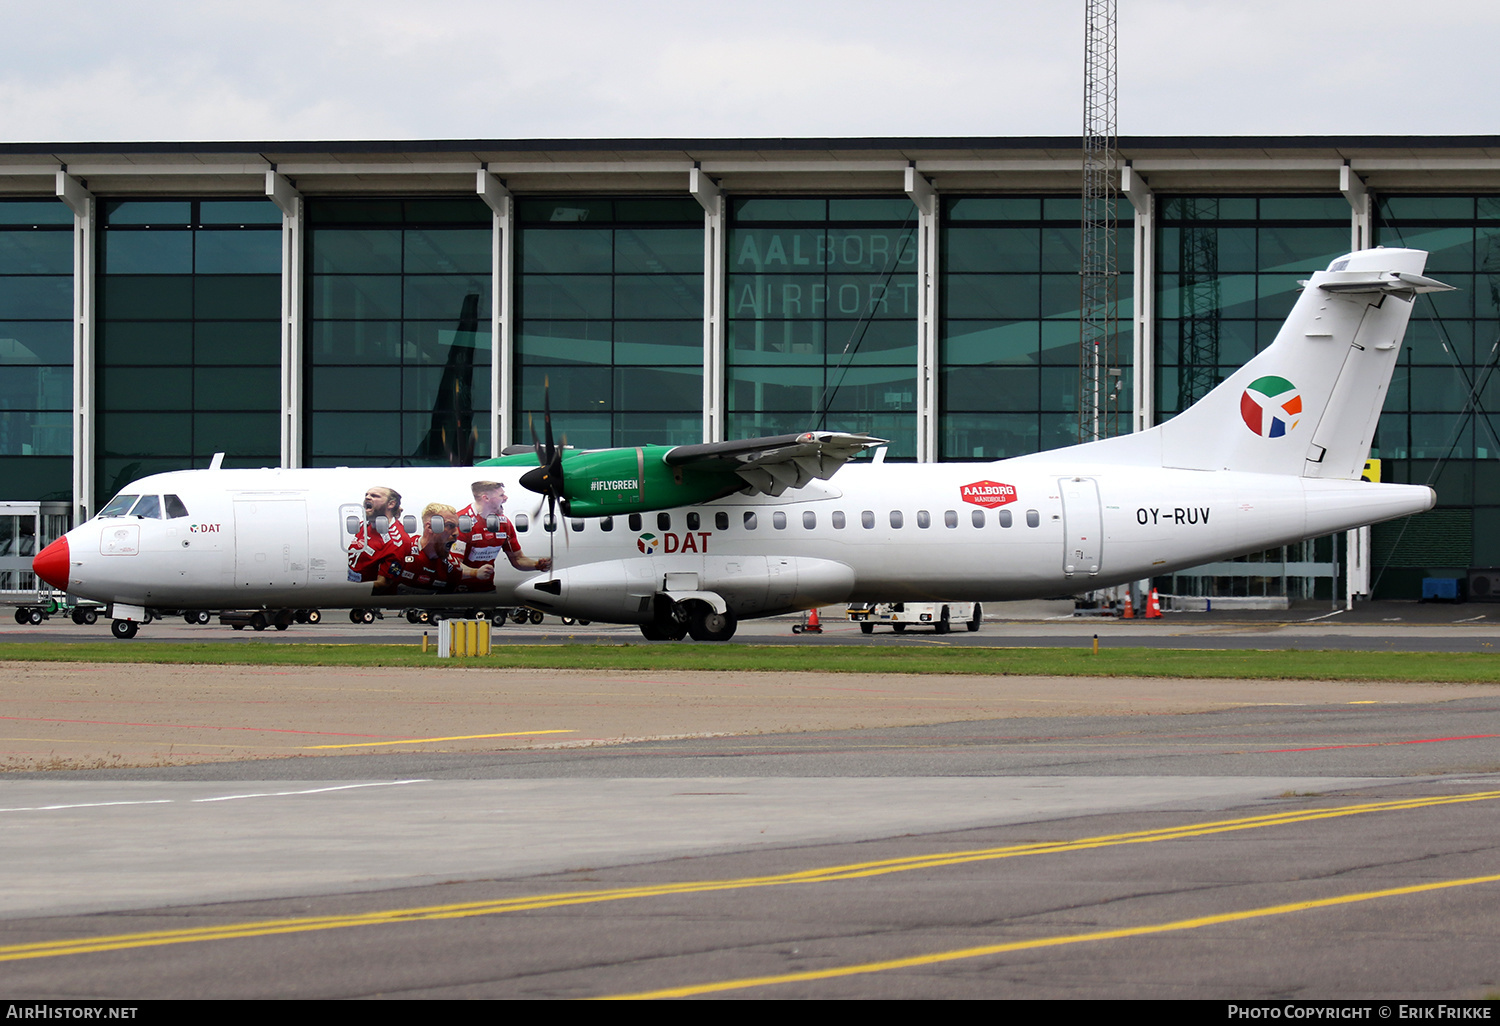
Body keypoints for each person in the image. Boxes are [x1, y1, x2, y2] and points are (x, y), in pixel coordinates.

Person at [449, 479, 551, 592]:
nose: (506, 498)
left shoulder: (503, 523)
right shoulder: (462, 523)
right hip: (458, 591)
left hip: (487, 588)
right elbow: (454, 566)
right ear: (486, 498)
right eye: (501, 495)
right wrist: (475, 573)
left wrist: (537, 565)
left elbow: (517, 559)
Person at [377, 502, 462, 594]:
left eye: (457, 527)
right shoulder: (400, 552)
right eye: (450, 525)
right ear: (430, 527)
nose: (456, 533)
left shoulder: (453, 568)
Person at [348, 485, 412, 585]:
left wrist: (347, 590)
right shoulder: (364, 526)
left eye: (374, 496)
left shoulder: (398, 541)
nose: (367, 497)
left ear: (391, 504)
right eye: (367, 495)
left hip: (368, 596)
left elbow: (383, 583)